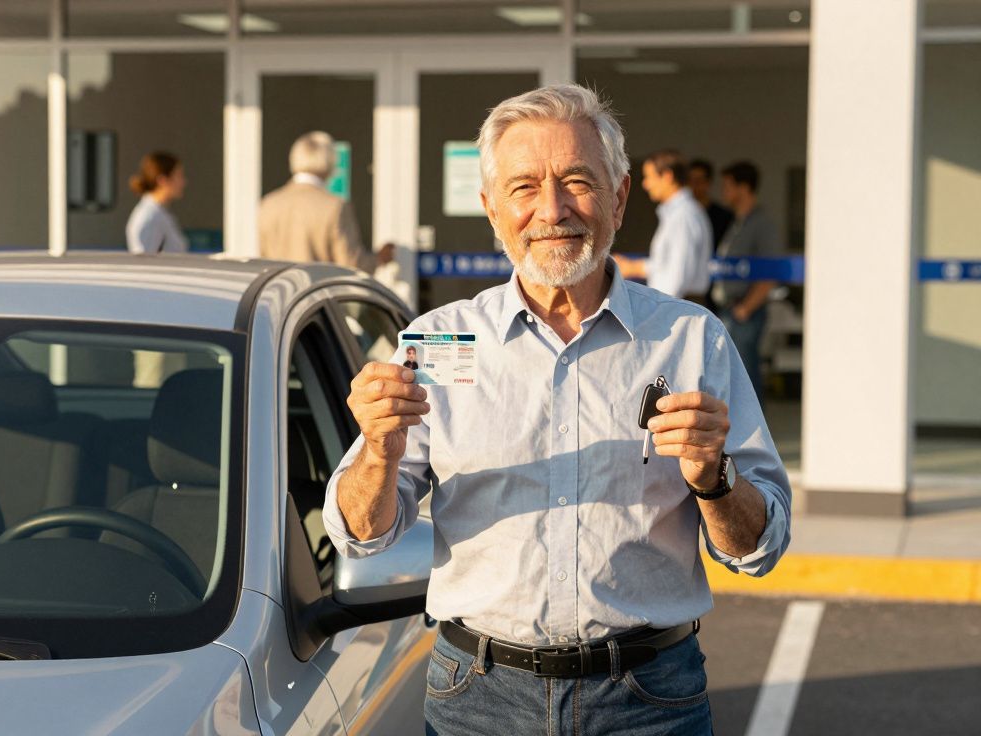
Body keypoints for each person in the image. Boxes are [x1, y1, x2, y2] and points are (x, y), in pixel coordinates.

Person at [323, 85, 790, 735]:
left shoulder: (690, 340)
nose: (552, 209)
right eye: (524, 187)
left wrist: (715, 479)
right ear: (491, 208)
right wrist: (378, 450)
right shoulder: (441, 342)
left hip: (649, 702)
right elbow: (360, 534)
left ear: (619, 198)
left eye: (577, 181)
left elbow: (758, 549)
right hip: (477, 701)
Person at [258, 131, 393, 272]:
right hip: (318, 285)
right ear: (330, 161)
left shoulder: (269, 203)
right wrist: (379, 258)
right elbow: (352, 264)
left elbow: (264, 261)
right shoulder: (335, 206)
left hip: (281, 286)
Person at [713, 161, 783, 401]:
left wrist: (745, 309)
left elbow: (770, 271)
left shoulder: (762, 224)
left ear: (743, 188)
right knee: (731, 377)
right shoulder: (738, 223)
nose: (723, 191)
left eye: (728, 186)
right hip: (731, 309)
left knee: (745, 379)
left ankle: (753, 425)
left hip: (744, 312)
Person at [614, 150, 713, 303]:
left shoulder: (683, 215)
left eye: (649, 177)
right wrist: (636, 267)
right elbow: (667, 265)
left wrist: (660, 308)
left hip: (679, 305)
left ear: (667, 176)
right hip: (678, 303)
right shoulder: (679, 213)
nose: (645, 184)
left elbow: (677, 273)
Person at [125, 151, 189, 254]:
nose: (183, 182)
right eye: (178, 176)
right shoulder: (149, 216)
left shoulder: (159, 213)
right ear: (162, 180)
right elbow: (144, 258)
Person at [688, 159, 734, 250]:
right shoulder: (681, 215)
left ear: (708, 183)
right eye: (690, 180)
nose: (693, 186)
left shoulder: (724, 217)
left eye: (698, 181)